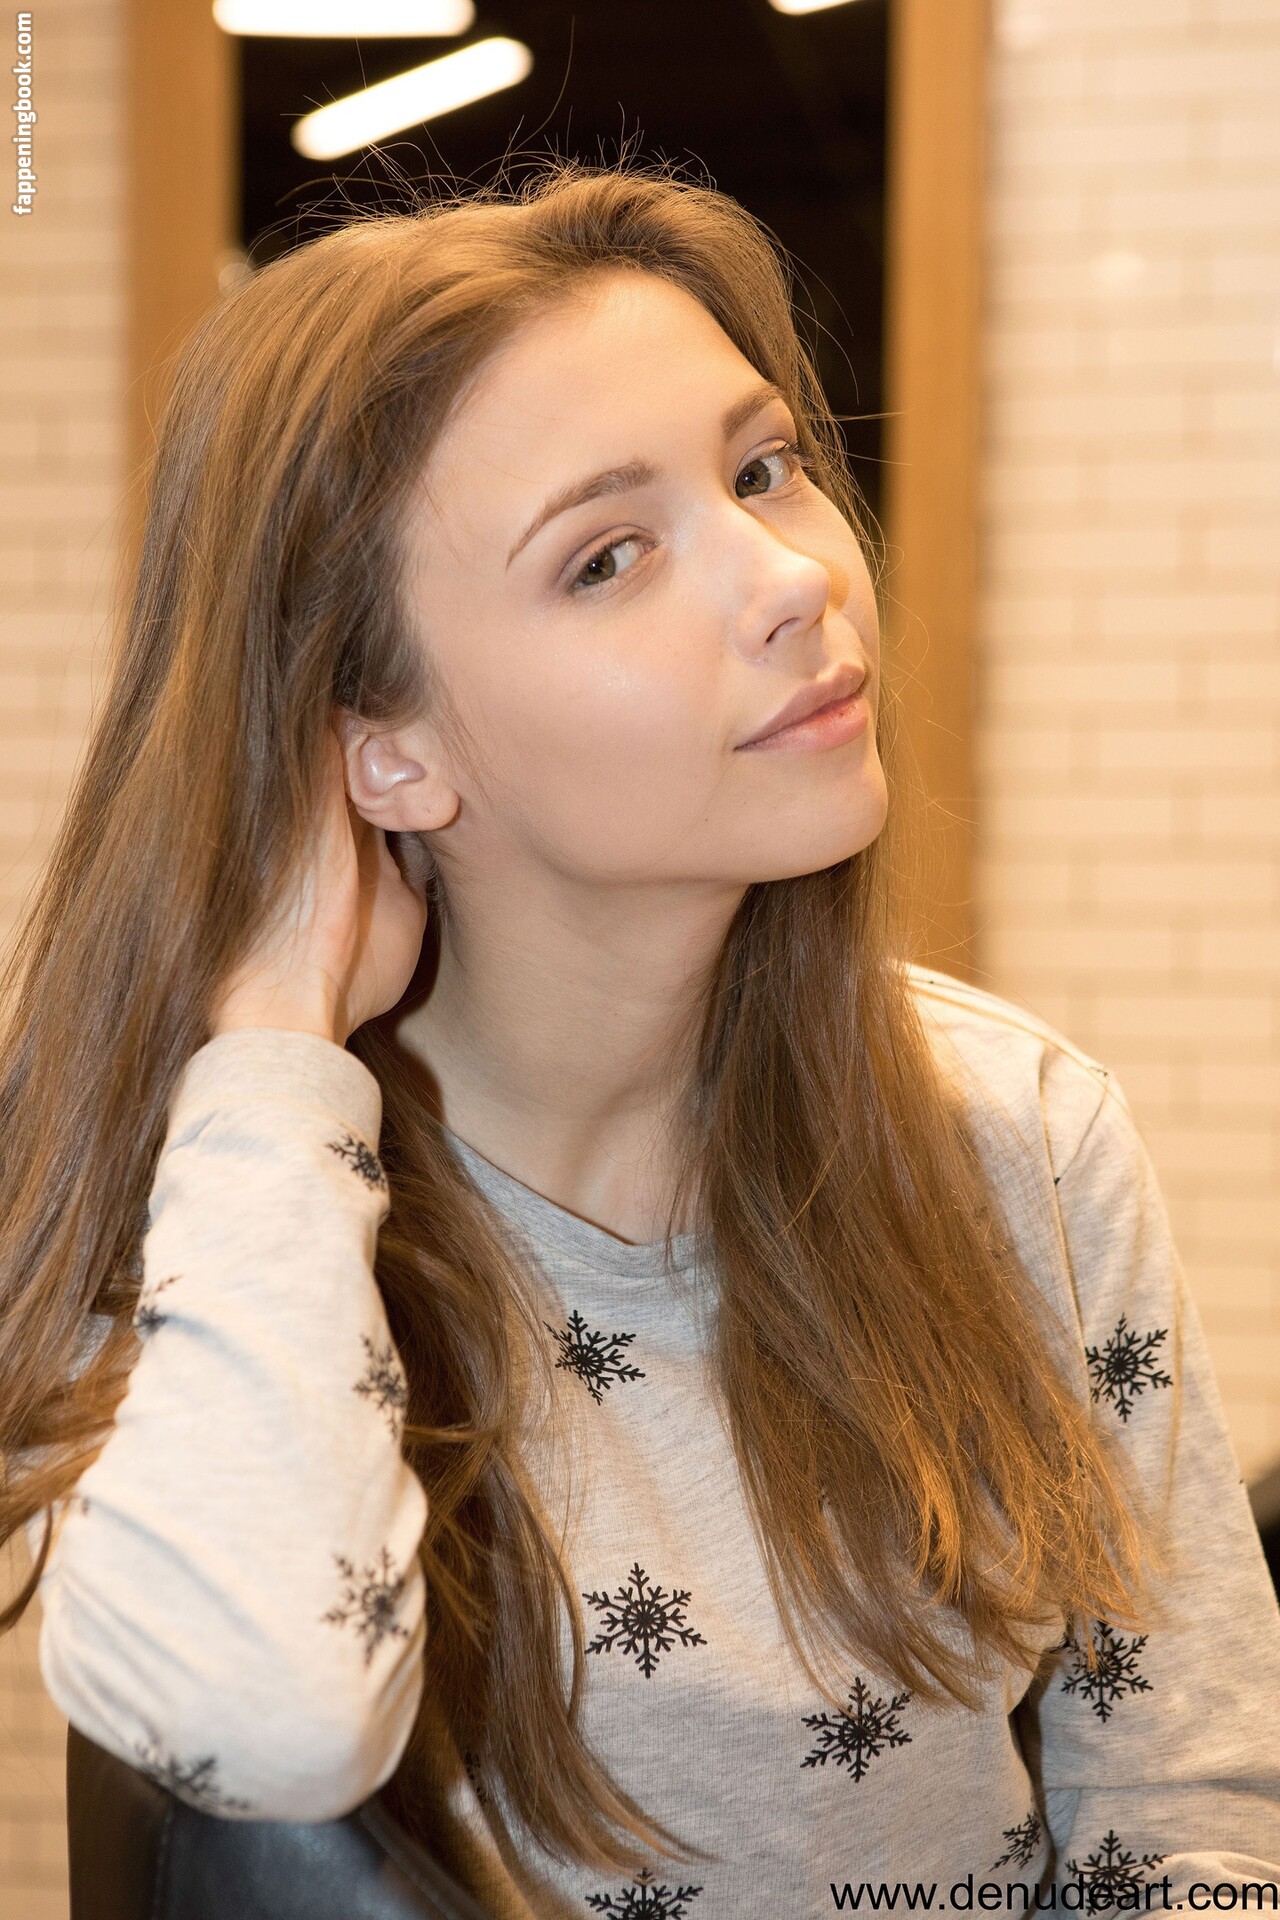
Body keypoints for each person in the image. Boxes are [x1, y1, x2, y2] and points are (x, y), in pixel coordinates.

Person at [1, 159, 1277, 1918]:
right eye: (608, 558)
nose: (793, 577)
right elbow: (263, 1730)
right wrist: (278, 1033)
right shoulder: (238, 1214)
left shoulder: (1022, 1134)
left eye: (763, 471)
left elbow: (1192, 1812)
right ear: (383, 750)